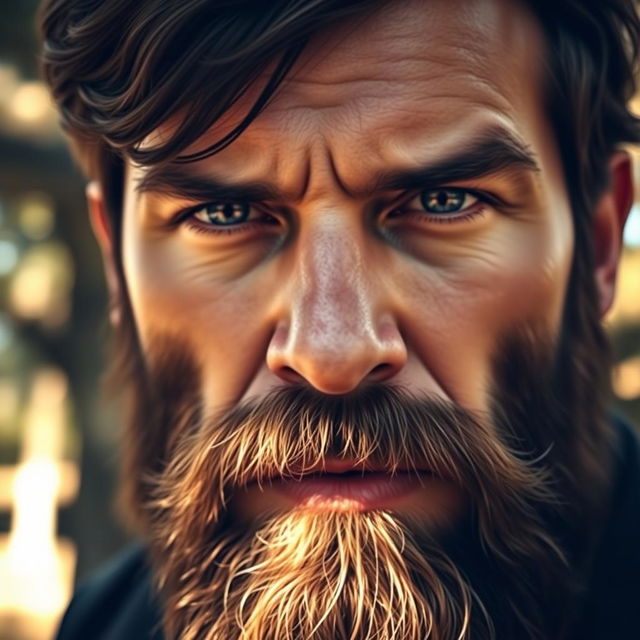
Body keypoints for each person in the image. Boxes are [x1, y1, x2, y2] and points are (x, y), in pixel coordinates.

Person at [39, 0, 640, 638]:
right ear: (116, 263)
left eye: (444, 201)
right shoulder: (101, 625)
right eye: (221, 215)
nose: (330, 356)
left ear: (598, 243)